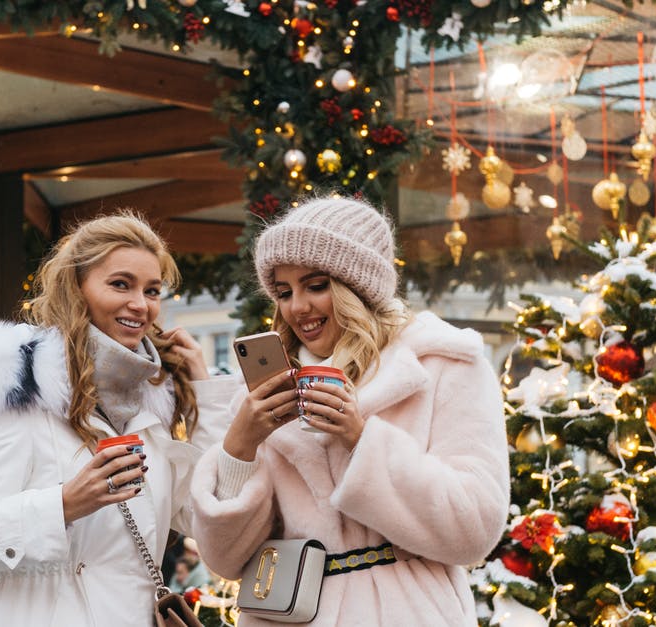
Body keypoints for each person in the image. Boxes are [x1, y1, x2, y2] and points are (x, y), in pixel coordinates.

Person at [188, 197, 510, 626]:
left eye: (315, 285)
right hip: (290, 612)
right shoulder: (269, 393)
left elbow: (475, 528)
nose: (297, 307)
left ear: (357, 287)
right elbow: (226, 559)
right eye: (284, 292)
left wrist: (362, 438)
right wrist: (240, 446)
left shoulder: (444, 365)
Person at [0, 213, 237, 626]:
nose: (140, 304)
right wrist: (64, 504)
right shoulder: (24, 394)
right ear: (77, 288)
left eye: (152, 290)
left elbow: (206, 515)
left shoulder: (151, 404)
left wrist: (205, 390)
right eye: (120, 284)